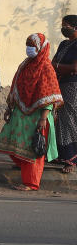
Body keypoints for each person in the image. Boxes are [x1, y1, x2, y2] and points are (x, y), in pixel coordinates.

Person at [0, 33, 62, 191]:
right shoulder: (25, 64)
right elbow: (16, 86)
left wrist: (43, 118)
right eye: (27, 44)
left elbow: (48, 94)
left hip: (37, 116)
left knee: (33, 150)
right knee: (16, 144)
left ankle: (31, 183)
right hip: (20, 113)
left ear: (40, 48)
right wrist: (9, 107)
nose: (29, 48)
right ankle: (24, 170)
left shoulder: (46, 67)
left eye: (32, 45)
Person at [51, 15, 77, 174]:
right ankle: (61, 155)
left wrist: (58, 66)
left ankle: (72, 159)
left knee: (70, 121)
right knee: (59, 121)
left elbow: (75, 68)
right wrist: (60, 67)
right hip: (60, 85)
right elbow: (52, 64)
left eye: (66, 25)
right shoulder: (64, 44)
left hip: (73, 88)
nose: (63, 28)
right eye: (62, 25)